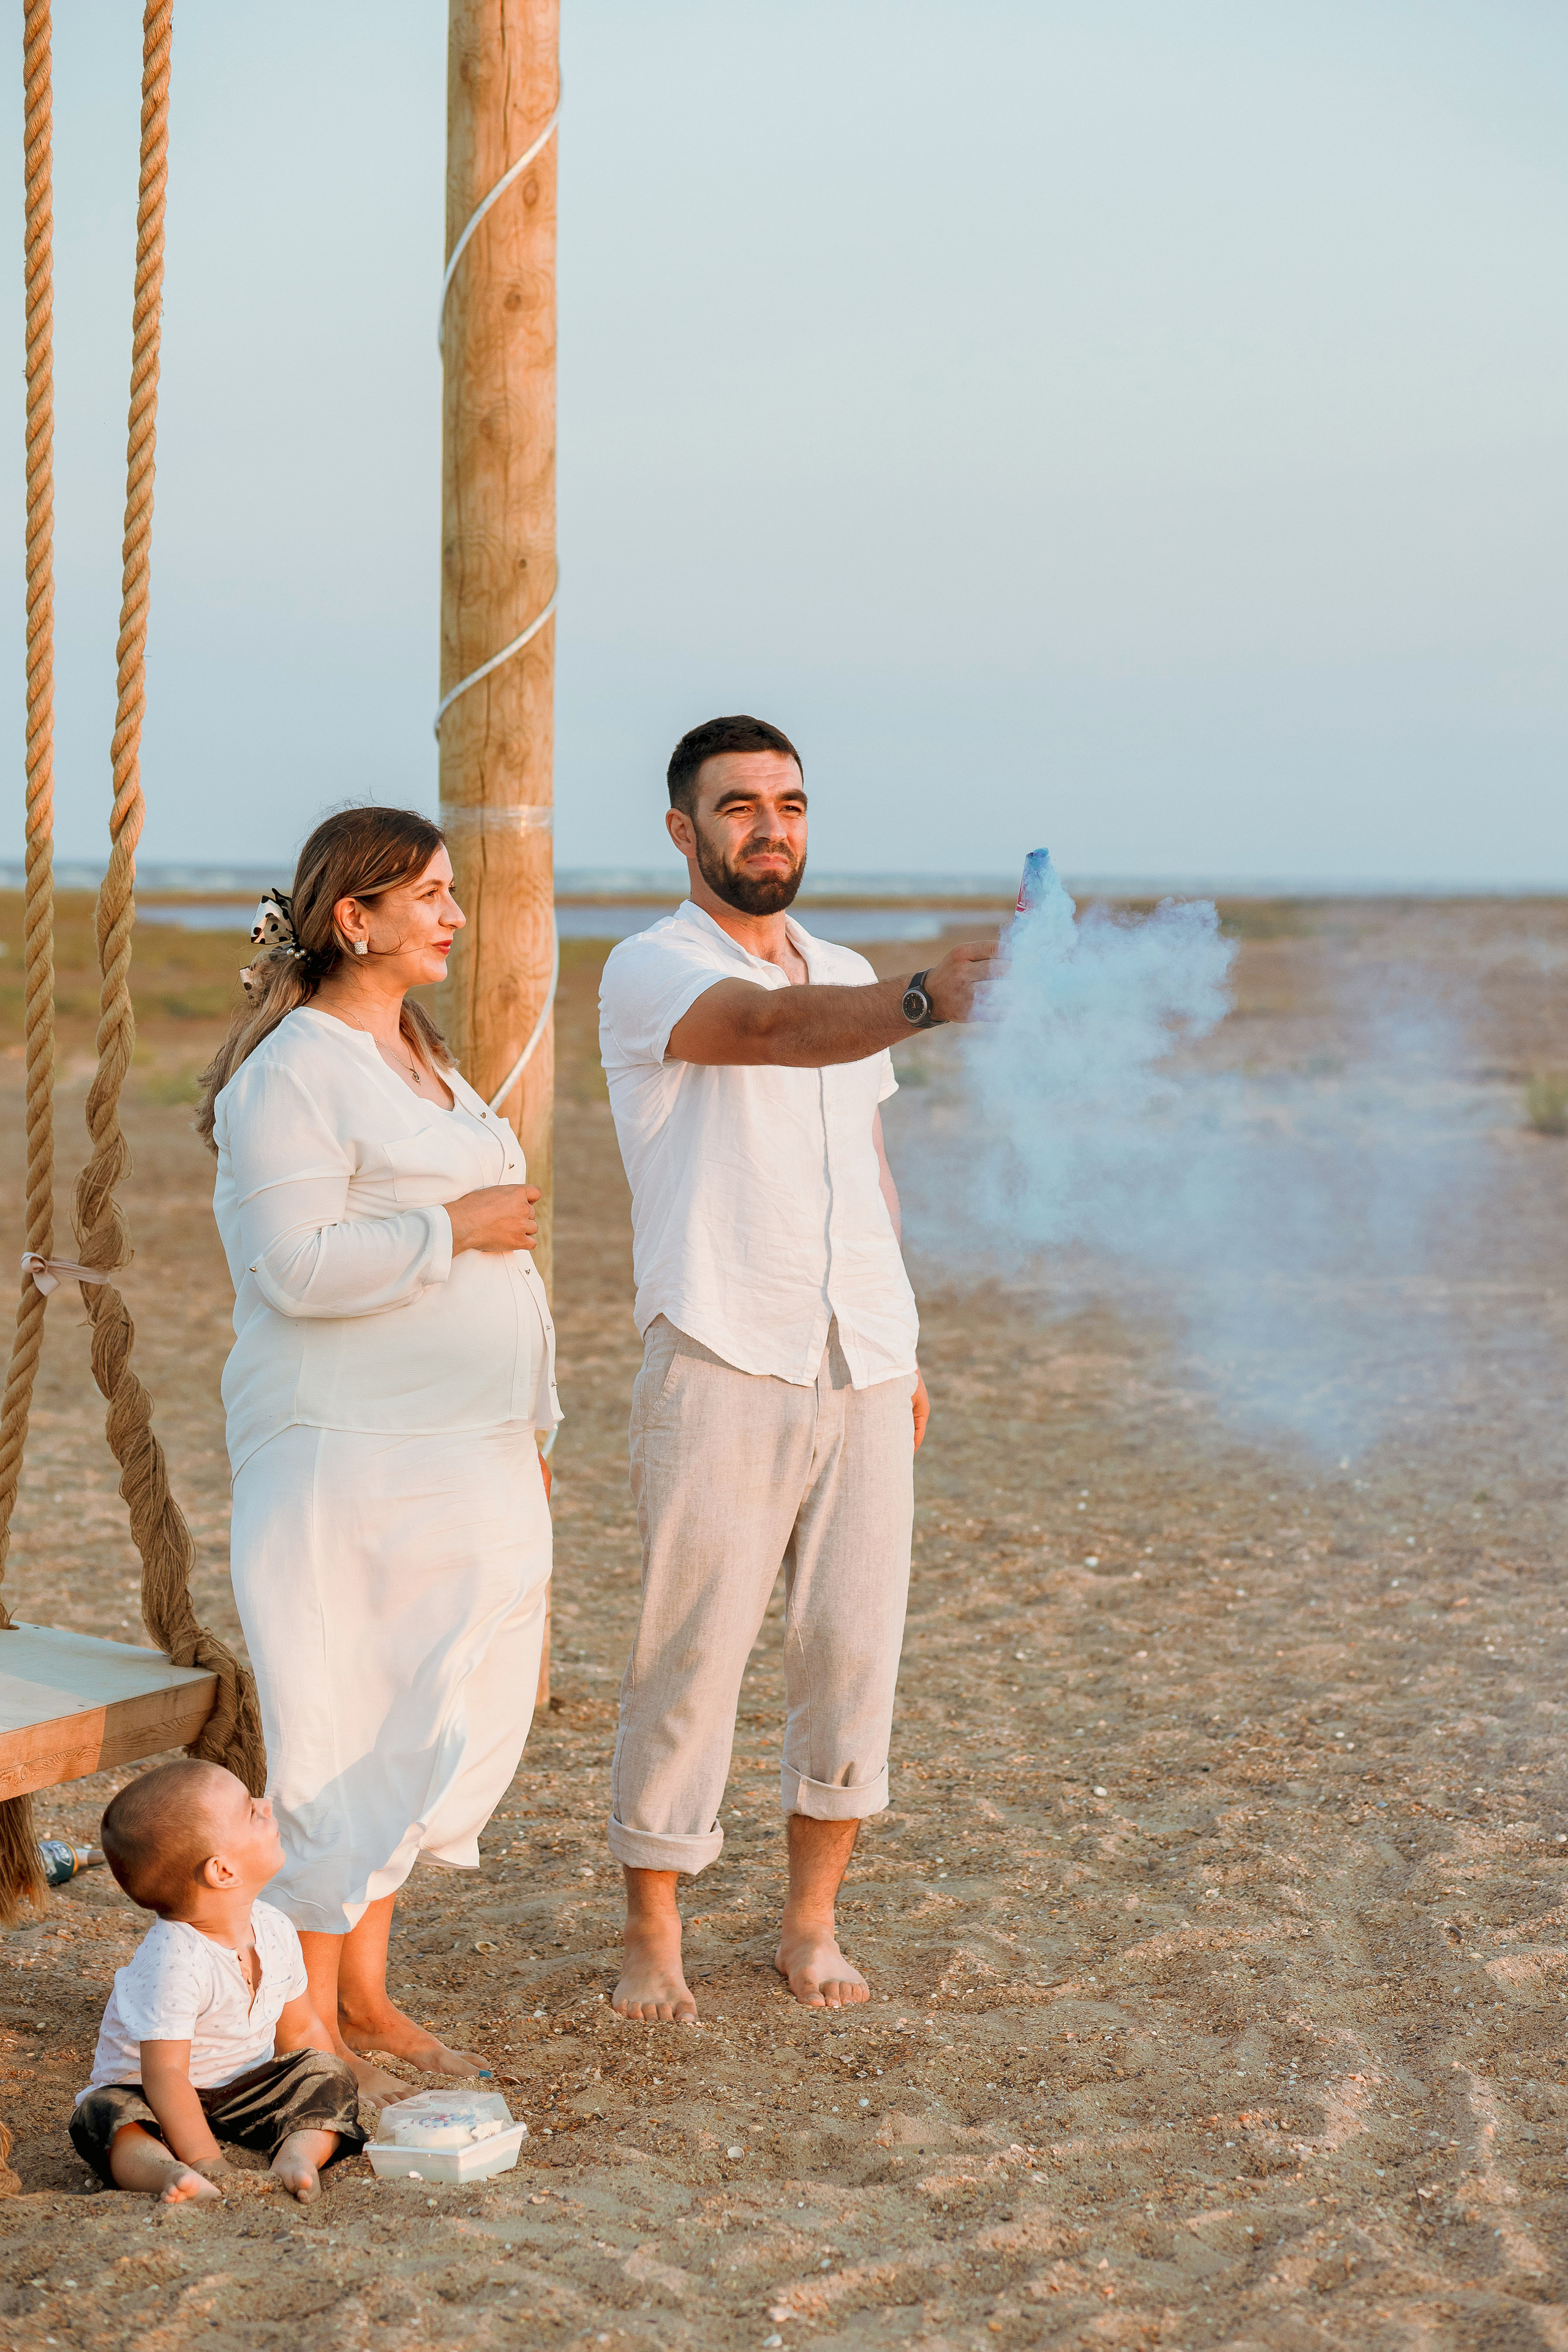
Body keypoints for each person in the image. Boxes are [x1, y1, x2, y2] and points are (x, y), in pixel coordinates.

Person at [597, 715, 997, 2021]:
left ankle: (808, 1925)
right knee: (690, 1656)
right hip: (721, 1347)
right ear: (683, 831)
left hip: (861, 1358)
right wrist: (927, 999)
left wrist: (903, 1333)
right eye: (737, 806)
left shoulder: (844, 964)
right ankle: (652, 1934)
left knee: (851, 1654)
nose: (768, 826)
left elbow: (860, 1162)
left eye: (788, 803)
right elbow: (769, 1034)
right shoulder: (649, 967)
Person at [197, 805, 559, 2099]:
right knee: (336, 1729)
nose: (455, 915)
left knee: (431, 1716)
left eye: (453, 892)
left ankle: (369, 1991)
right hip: (346, 1460)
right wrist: (448, 1229)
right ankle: (308, 2020)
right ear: (355, 918)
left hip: (464, 1455)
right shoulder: (293, 1071)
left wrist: (532, 1429)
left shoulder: (424, 1057)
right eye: (431, 894)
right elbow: (289, 1270)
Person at [71, 1759, 366, 2204]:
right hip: (149, 2094)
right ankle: (167, 2173)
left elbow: (302, 2031)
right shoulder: (173, 1958)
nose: (267, 1806)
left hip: (243, 2089)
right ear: (222, 1871)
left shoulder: (273, 1927)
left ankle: (298, 2154)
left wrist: (322, 2087)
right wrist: (208, 2158)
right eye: (251, 1810)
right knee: (101, 2115)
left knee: (327, 2073)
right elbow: (166, 2073)